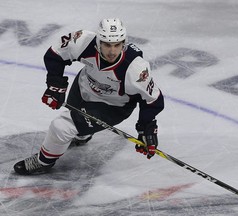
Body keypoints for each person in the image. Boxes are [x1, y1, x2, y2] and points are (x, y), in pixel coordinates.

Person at [14, 18, 164, 175]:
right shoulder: (83, 40)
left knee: (62, 127)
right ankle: (82, 134)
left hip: (112, 107)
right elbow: (55, 54)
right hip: (82, 88)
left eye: (117, 45)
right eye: (107, 44)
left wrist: (146, 128)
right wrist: (56, 86)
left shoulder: (136, 69)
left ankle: (43, 161)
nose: (112, 51)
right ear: (98, 41)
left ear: (123, 43)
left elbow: (153, 100)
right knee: (78, 127)